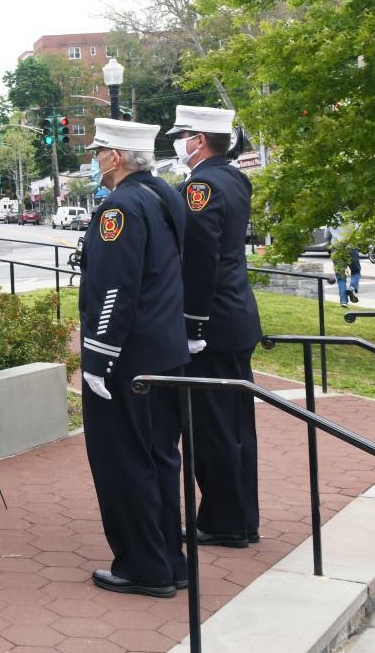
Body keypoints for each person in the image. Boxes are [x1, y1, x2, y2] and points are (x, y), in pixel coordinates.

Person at [79, 118, 189, 598]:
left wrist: (98, 359)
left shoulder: (118, 208)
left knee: (125, 460)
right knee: (161, 456)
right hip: (165, 349)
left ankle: (143, 566)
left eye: (99, 150)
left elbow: (113, 290)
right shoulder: (163, 194)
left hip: (128, 357)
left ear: (117, 157)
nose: (95, 158)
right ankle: (170, 558)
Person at [167, 105, 263, 548]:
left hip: (214, 325)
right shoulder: (233, 177)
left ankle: (224, 522)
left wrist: (193, 324)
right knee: (238, 427)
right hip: (235, 316)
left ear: (199, 140)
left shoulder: (202, 185)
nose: (180, 142)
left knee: (213, 429)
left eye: (184, 134)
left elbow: (200, 260)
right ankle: (240, 517)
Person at [327, 221, 361, 307]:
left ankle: (343, 301)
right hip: (351, 248)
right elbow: (359, 232)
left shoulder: (331, 218)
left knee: (341, 277)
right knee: (356, 271)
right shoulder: (353, 218)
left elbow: (326, 236)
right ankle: (352, 288)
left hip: (336, 249)